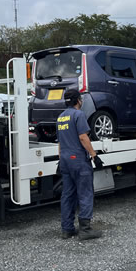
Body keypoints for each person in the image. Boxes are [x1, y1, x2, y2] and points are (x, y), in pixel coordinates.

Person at [57, 89, 103, 240]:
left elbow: (60, 142)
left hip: (65, 159)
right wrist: (94, 155)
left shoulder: (60, 118)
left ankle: (67, 229)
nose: (81, 101)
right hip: (78, 160)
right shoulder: (78, 115)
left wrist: (60, 160)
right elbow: (83, 137)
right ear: (77, 100)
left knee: (68, 195)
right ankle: (85, 230)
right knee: (85, 193)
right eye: (80, 99)